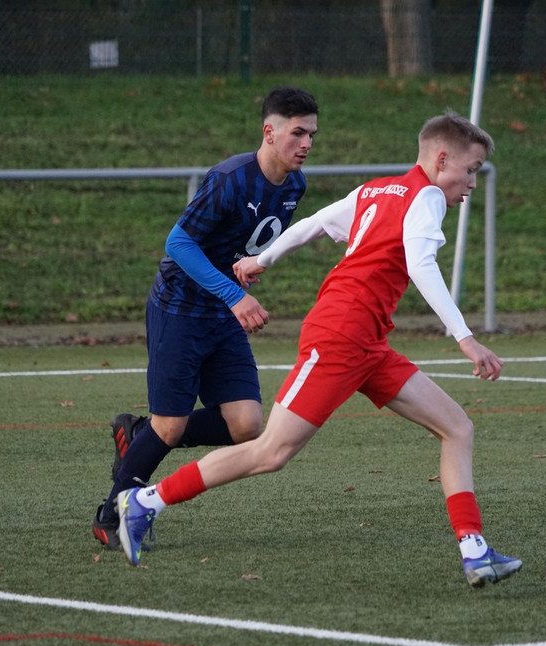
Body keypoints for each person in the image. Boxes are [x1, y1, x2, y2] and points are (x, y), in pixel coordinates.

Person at [115, 111, 522, 588]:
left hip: (368, 344)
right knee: (271, 451)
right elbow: (421, 264)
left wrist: (261, 259)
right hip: (340, 336)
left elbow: (314, 223)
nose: (471, 183)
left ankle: (474, 551)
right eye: (470, 170)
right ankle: (143, 502)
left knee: (456, 427)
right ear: (442, 159)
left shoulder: (377, 190)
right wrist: (465, 337)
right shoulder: (428, 196)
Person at [92, 86, 320, 549]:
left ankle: (139, 435)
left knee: (246, 426)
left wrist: (252, 265)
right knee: (171, 426)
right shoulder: (229, 179)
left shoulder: (294, 185)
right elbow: (177, 243)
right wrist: (234, 296)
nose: (307, 144)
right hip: (179, 309)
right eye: (298, 133)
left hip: (221, 313)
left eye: (312, 135)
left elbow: (251, 240)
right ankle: (110, 515)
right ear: (269, 132)